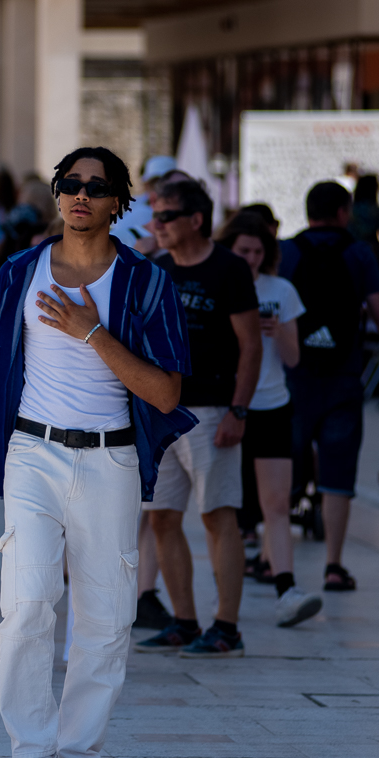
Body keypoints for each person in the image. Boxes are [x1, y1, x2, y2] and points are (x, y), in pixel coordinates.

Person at [0, 145, 193, 758]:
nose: (81, 194)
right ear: (57, 193)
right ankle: (30, 753)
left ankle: (80, 756)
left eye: (97, 186)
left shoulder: (145, 282)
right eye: (71, 183)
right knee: (26, 604)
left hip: (112, 458)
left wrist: (93, 333)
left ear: (118, 203)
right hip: (33, 452)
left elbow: (167, 393)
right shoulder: (19, 272)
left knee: (107, 615)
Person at [133, 180, 261, 658]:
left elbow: (251, 345)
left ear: (196, 219)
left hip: (212, 410)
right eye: (155, 215)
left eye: (166, 216)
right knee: (162, 518)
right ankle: (184, 622)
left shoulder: (229, 268)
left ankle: (226, 626)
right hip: (163, 410)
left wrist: (238, 410)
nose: (156, 225)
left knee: (217, 515)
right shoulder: (157, 269)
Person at [278, 181, 379, 593]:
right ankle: (334, 565)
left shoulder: (286, 252)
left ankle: (272, 559)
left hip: (293, 379)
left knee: (282, 471)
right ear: (343, 212)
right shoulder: (359, 254)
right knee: (338, 475)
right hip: (343, 378)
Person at [216, 212, 323, 628]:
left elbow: (294, 359)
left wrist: (276, 331)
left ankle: (286, 590)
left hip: (273, 405)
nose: (252, 258)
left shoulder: (281, 290)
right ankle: (225, 601)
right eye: (244, 250)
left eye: (259, 251)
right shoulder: (219, 283)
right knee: (225, 507)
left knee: (277, 504)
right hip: (226, 408)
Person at [110, 155, 178, 252]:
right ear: (147, 185)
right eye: (156, 183)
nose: (162, 189)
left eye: (167, 183)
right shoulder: (134, 211)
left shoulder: (185, 219)